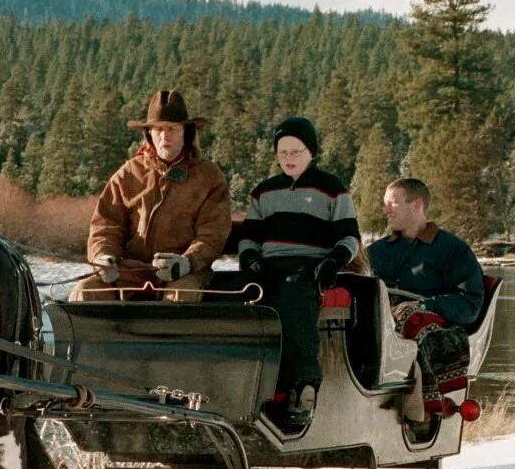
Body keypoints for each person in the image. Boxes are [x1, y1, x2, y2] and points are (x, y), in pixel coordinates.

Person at [238, 116, 360, 431]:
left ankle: (304, 386)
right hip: (267, 265)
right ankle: (240, 386)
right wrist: (250, 258)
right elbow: (249, 236)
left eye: (296, 151)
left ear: (311, 151)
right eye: (283, 153)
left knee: (294, 300)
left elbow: (350, 237)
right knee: (231, 298)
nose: (289, 159)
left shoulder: (332, 189)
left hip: (310, 265)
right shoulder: (264, 191)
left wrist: (335, 260)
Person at [71, 90, 232, 302]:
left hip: (183, 273)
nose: (165, 136)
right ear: (149, 134)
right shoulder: (129, 173)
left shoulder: (209, 177)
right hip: (129, 272)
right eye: (158, 129)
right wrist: (103, 257)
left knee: (181, 296)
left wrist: (187, 262)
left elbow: (213, 233)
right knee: (85, 292)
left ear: (187, 132)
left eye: (172, 129)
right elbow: (106, 224)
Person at [368, 177, 486, 433]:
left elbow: (470, 304)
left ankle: (422, 409)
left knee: (411, 317)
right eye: (385, 204)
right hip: (380, 324)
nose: (386, 210)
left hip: (431, 325)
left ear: (416, 205)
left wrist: (424, 304)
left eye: (393, 204)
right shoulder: (376, 252)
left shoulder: (453, 250)